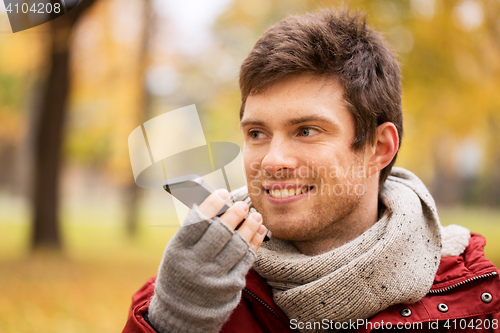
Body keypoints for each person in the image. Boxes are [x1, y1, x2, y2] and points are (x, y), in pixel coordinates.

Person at [123, 8, 500, 333]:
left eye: (306, 130)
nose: (271, 161)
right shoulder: (190, 289)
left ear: (379, 148)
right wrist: (175, 321)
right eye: (257, 133)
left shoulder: (478, 300)